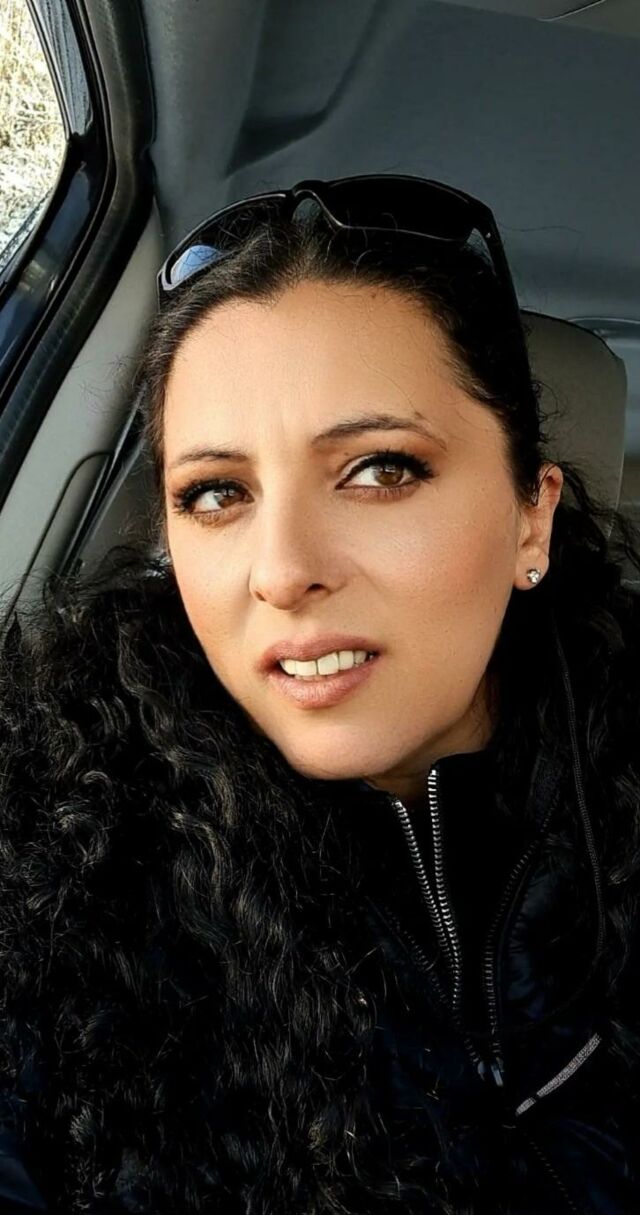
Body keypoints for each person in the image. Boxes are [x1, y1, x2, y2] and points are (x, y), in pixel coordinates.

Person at [1, 174, 639, 1215]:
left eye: (380, 470)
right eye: (217, 493)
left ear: (532, 514)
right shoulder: (52, 873)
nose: (283, 569)